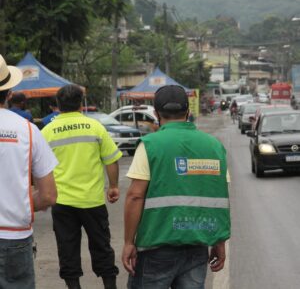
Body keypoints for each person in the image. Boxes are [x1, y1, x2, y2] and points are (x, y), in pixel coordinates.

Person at [122, 85, 231, 289]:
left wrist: (129, 242)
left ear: (156, 114)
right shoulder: (214, 146)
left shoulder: (150, 144)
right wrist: (219, 241)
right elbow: (219, 196)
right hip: (198, 244)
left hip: (156, 245)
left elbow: (135, 196)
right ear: (188, 112)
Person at [42, 84, 122, 289]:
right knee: (101, 246)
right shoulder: (95, 127)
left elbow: (40, 168)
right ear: (81, 104)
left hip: (62, 201)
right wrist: (113, 186)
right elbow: (111, 160)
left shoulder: (48, 131)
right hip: (92, 200)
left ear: (58, 105)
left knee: (67, 248)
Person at [0, 54, 57, 289]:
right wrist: (20, 202)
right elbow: (48, 196)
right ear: (10, 93)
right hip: (15, 236)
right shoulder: (28, 131)